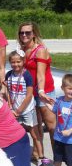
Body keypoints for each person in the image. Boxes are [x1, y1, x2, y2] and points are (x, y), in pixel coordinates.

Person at [18, 21, 56, 157]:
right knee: (36, 126)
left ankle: (58, 158)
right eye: (22, 32)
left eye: (27, 32)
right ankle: (41, 156)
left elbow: (41, 74)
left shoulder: (40, 50)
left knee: (51, 126)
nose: (24, 35)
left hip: (44, 91)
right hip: (30, 93)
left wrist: (41, 92)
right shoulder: (22, 50)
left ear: (34, 34)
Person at [5, 50, 46, 163]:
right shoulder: (8, 74)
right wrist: (10, 106)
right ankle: (18, 156)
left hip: (27, 110)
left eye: (18, 62)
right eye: (13, 62)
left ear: (23, 61)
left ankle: (41, 157)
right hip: (14, 110)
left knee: (34, 133)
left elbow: (29, 95)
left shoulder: (27, 75)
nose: (16, 64)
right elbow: (8, 91)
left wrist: (19, 110)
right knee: (16, 134)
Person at [43, 74, 72, 166]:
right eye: (70, 88)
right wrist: (45, 103)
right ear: (63, 88)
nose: (71, 91)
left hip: (70, 139)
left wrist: (70, 131)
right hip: (58, 137)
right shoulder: (59, 101)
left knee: (70, 160)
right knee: (57, 157)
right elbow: (54, 110)